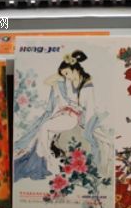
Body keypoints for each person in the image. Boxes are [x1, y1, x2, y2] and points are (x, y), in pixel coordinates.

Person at [13, 51, 109, 180]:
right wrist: (62, 72)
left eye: (67, 73)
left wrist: (87, 126)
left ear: (75, 69)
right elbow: (47, 81)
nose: (66, 77)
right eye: (64, 75)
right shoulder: (69, 83)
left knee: (44, 127)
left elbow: (90, 110)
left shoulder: (87, 86)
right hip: (63, 114)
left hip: (72, 117)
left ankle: (50, 160)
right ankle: (44, 164)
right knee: (43, 135)